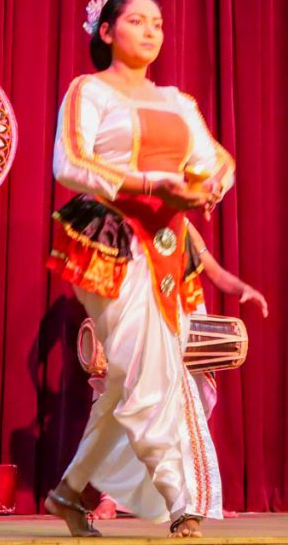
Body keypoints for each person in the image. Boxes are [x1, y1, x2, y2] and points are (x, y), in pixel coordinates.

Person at [44, 0, 235, 538]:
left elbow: (214, 161)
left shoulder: (177, 101)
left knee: (133, 377)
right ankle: (182, 503)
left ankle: (68, 492)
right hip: (109, 236)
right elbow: (70, 164)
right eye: (136, 21)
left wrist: (205, 189)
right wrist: (154, 183)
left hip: (169, 246)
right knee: (147, 371)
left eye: (157, 23)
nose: (150, 31)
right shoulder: (90, 92)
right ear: (106, 31)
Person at [91, 222, 267, 520]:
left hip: (179, 323)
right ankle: (111, 497)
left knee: (184, 415)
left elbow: (213, 270)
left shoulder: (184, 225)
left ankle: (196, 498)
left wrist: (243, 288)